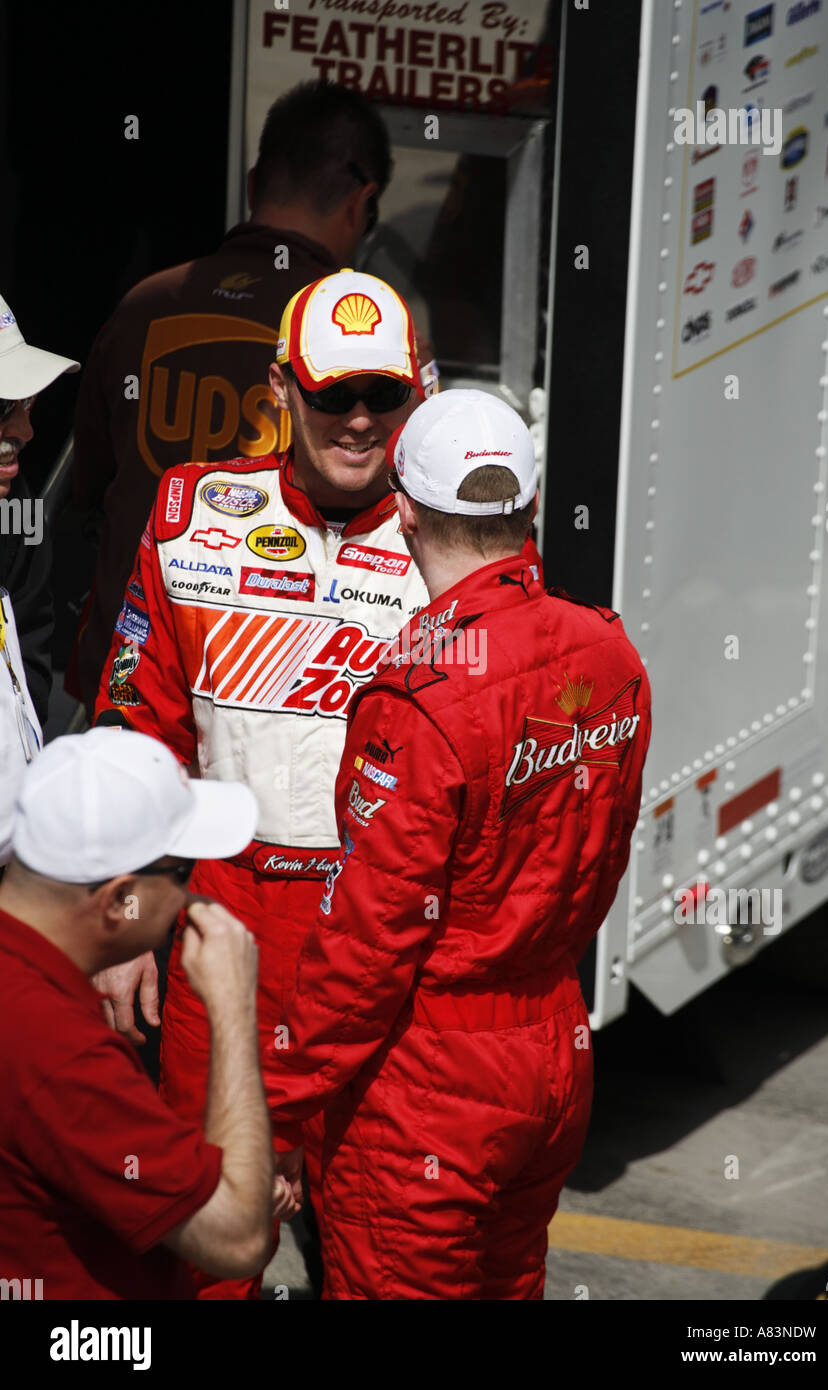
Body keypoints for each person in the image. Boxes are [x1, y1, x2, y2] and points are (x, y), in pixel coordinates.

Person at [92, 269, 434, 1299]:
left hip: (380, 939)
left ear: (420, 389)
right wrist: (121, 921)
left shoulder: (457, 540)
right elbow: (131, 730)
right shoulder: (195, 515)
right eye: (333, 395)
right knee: (206, 1254)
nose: (360, 419)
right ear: (283, 388)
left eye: (384, 395)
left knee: (382, 1249)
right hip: (223, 921)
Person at [269, 389, 652, 1299]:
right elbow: (603, 855)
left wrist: (279, 1105)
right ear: (525, 506)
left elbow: (368, 944)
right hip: (554, 1056)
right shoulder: (609, 653)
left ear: (402, 508)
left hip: (429, 1090)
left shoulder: (421, 697)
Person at [68, 80, 395, 718]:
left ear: (252, 184)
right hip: (285, 698)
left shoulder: (142, 307)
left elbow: (88, 492)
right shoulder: (378, 348)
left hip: (128, 687)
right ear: (363, 203)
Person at [0, 728, 296, 1300]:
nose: (195, 894)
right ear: (117, 899)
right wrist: (235, 1008)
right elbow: (239, 1237)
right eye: (183, 871)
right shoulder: (59, 1050)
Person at [0, 292, 79, 731]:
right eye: (2, 408)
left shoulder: (19, 508)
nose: (26, 431)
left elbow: (30, 654)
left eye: (27, 402)